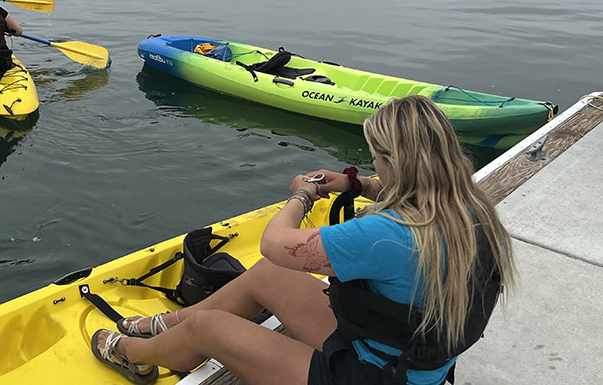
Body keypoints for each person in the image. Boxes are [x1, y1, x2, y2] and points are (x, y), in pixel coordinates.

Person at [89, 95, 514, 385]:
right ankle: (166, 326)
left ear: (393, 162)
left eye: (376, 160)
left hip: (373, 375)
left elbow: (274, 243)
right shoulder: (470, 206)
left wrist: (302, 195)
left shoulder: (384, 237)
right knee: (270, 278)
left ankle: (133, 352)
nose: (374, 167)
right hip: (406, 360)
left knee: (211, 325)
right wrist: (356, 184)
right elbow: (410, 192)